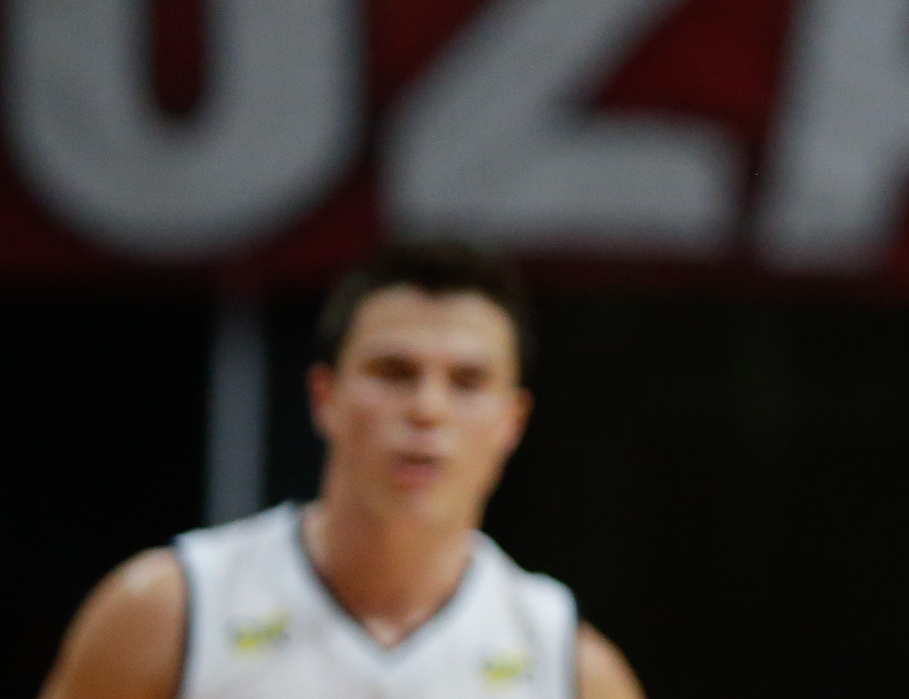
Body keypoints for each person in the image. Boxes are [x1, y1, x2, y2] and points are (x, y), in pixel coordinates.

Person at [40, 242, 642, 699]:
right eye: (394, 372)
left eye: (467, 382)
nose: (427, 410)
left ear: (512, 421)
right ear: (325, 397)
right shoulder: (170, 609)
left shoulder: (570, 667)